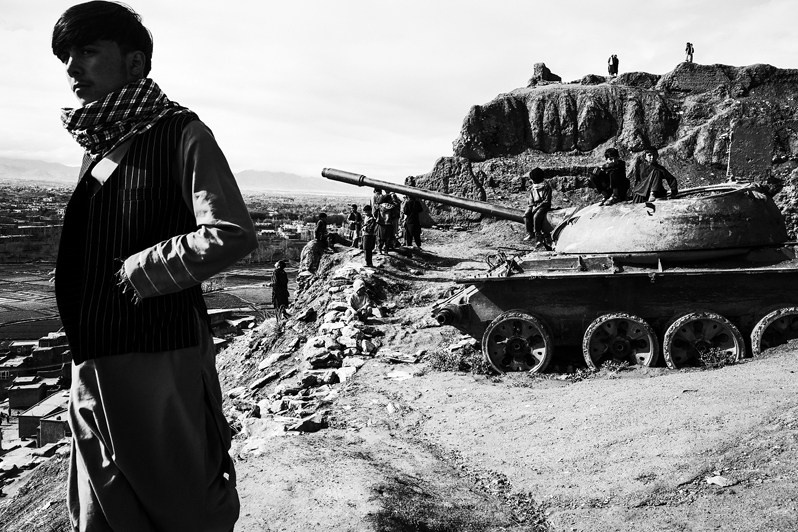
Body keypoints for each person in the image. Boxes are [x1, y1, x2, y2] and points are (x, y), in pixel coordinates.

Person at [51, 2, 256, 530]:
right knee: (102, 514)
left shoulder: (183, 134)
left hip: (158, 360)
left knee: (181, 509)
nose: (72, 68)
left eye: (87, 52)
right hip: (92, 364)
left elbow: (230, 232)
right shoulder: (98, 146)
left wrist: (141, 271)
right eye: (66, 57)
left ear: (136, 63)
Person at [523, 168, 553, 250]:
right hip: (535, 205)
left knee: (536, 216)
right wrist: (531, 206)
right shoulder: (533, 188)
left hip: (543, 205)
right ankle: (529, 233)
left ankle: (538, 237)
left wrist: (536, 208)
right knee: (526, 214)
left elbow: (547, 200)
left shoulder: (546, 186)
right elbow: (531, 199)